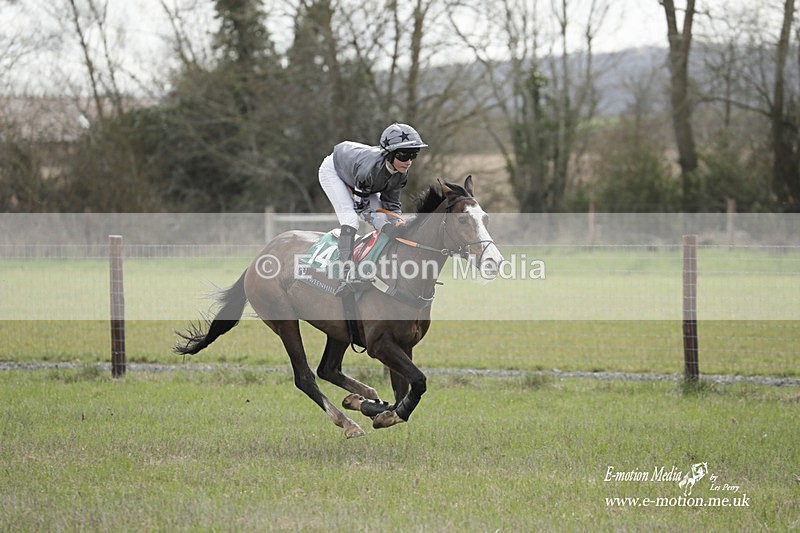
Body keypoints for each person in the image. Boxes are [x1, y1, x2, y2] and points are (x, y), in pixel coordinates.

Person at [318, 122, 428, 279]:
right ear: (390, 154)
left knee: (383, 218)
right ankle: (344, 269)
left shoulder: (401, 173)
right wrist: (384, 227)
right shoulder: (369, 171)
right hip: (334, 170)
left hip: (358, 175)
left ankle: (377, 264)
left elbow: (391, 205)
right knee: (350, 220)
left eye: (413, 155)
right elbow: (361, 208)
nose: (408, 162)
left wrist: (397, 223)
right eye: (404, 155)